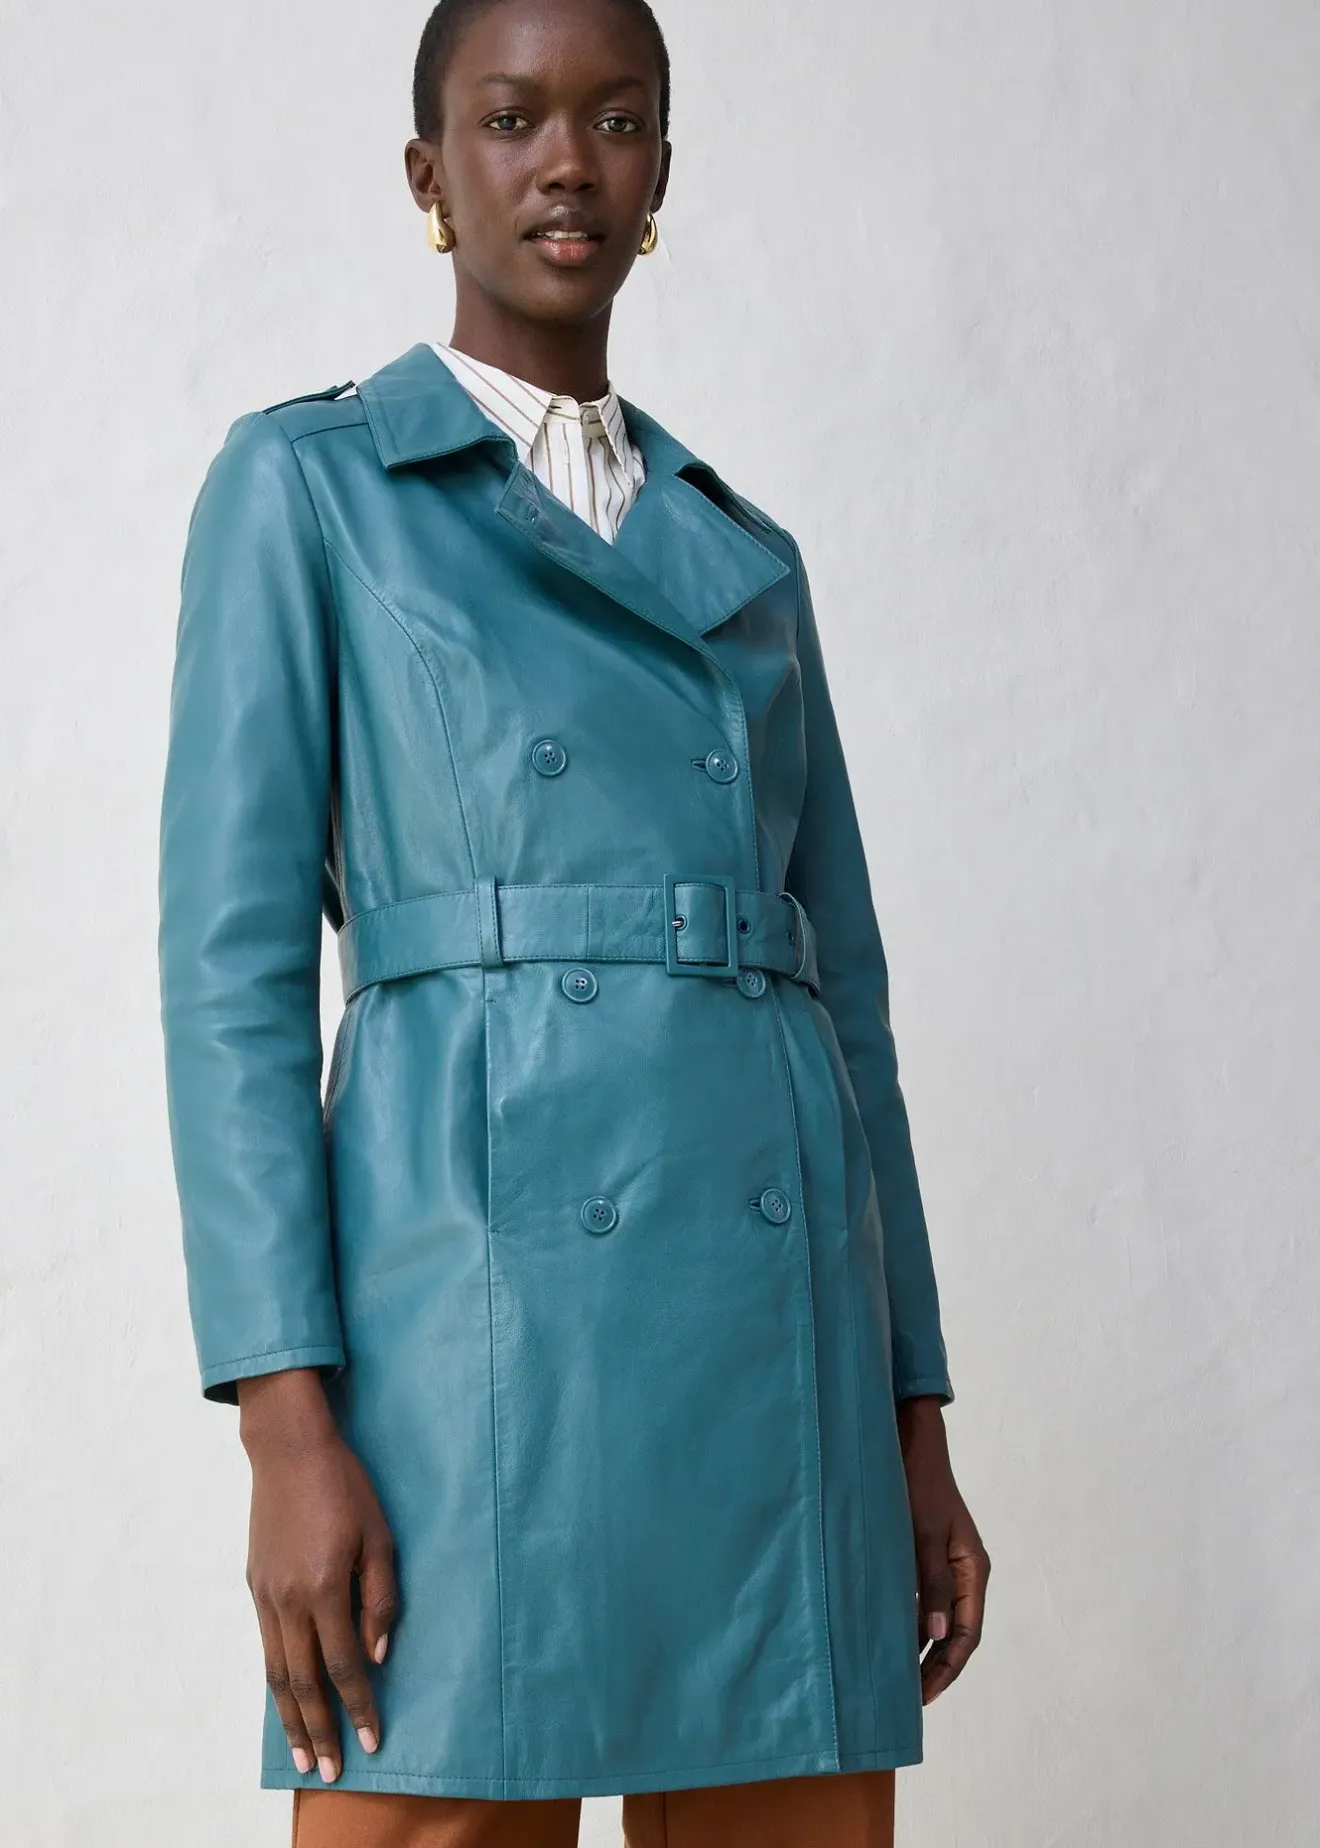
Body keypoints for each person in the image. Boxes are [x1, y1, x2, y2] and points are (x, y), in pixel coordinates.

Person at [156, 1, 990, 1843]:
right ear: (429, 173)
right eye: (510, 118)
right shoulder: (308, 490)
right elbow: (229, 990)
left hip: (776, 1356)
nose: (565, 163)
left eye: (616, 121)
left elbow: (848, 1017)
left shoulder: (744, 556)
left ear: (662, 172)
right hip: (462, 1332)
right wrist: (285, 1425)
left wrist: (911, 1420)